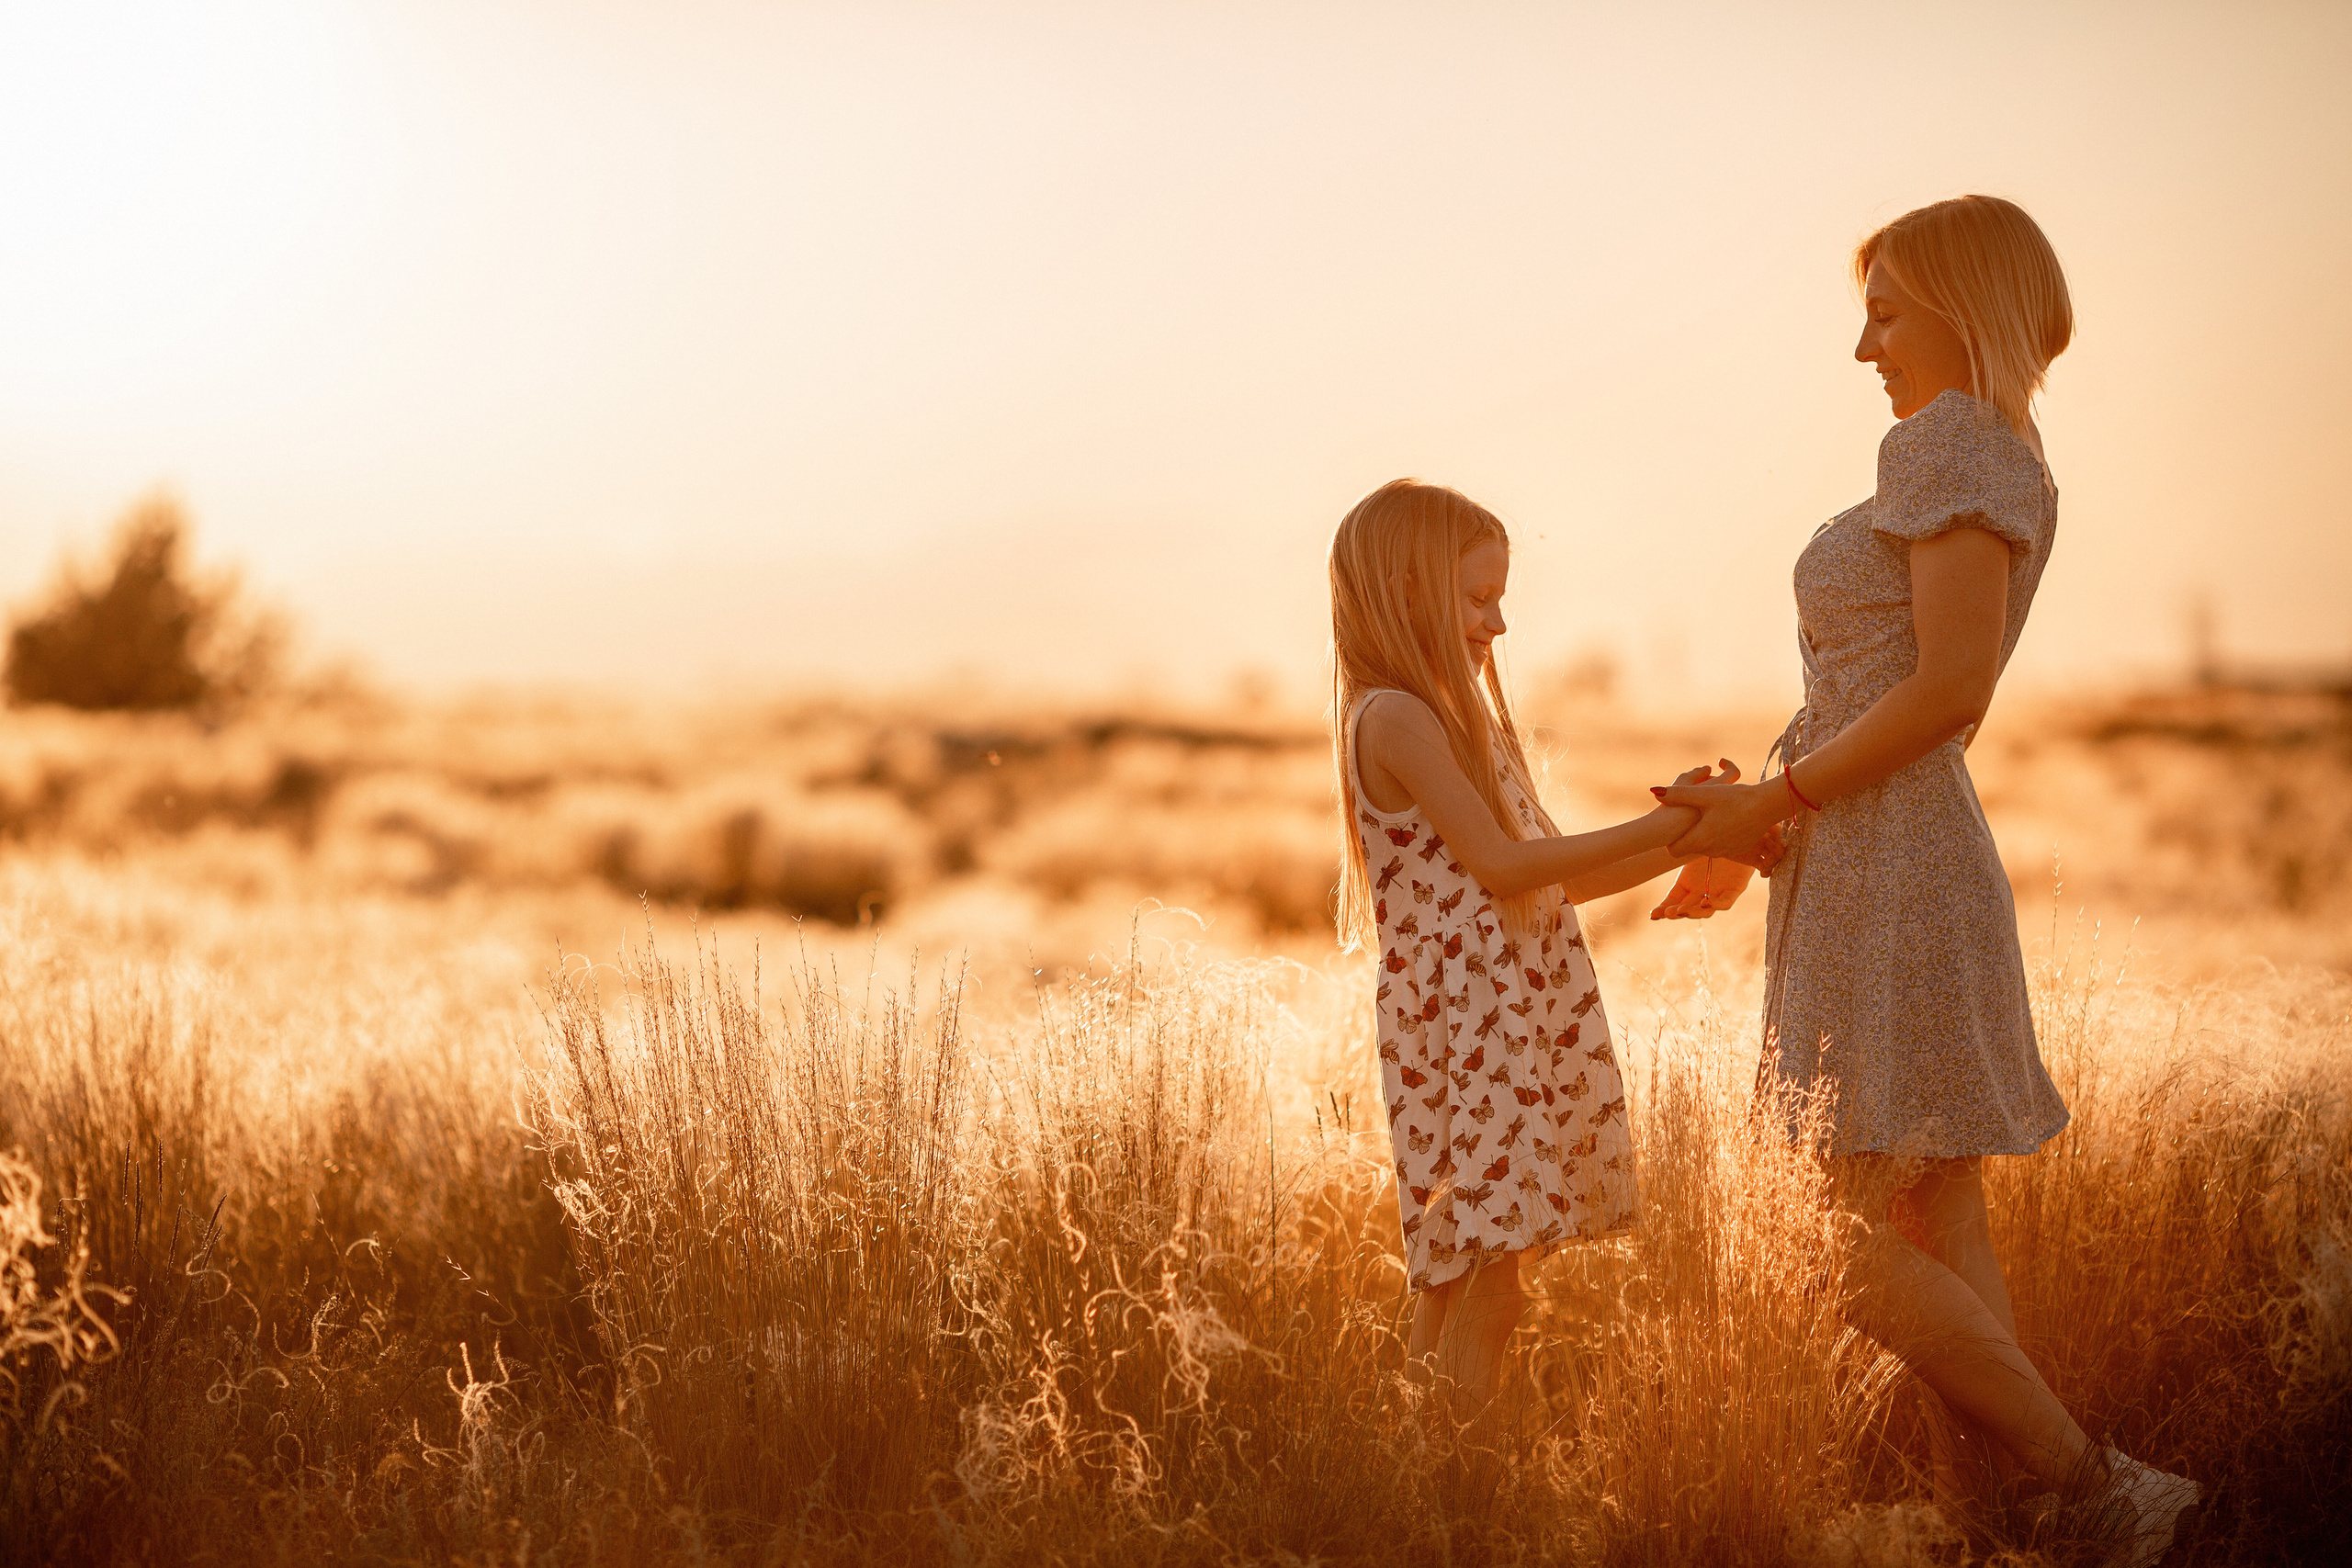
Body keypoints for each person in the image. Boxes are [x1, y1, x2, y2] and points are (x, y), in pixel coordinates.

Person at [1652, 195, 2198, 1565]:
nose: (1863, 344)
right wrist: (1753, 827)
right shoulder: (1994, 448)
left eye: (1886, 309)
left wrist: (1779, 795)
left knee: (1810, 1217)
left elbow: (1951, 687)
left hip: (1889, 859)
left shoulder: (1949, 439)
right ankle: (2002, 1528)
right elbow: (1897, 688)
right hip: (1879, 846)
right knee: (1931, 1202)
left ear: (1963, 305)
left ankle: (2094, 1478)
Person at [1328, 478, 1777, 1431]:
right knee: (1487, 1281)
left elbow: (1549, 881)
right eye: (1478, 597)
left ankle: (1416, 1486)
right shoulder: (1395, 717)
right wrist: (1664, 822)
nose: (1500, 619)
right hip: (1466, 1026)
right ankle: (1447, 1490)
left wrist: (1697, 836)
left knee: (1474, 1276)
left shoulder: (1448, 720)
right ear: (1407, 594)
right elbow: (1501, 865)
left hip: (1501, 1013)